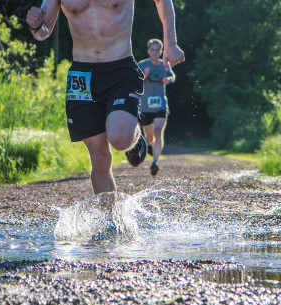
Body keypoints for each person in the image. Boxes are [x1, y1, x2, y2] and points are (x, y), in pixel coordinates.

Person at [26, 0, 184, 194]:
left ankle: (135, 136)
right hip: (82, 75)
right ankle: (108, 220)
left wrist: (171, 44)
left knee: (120, 139)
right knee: (98, 156)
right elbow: (43, 32)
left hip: (120, 67)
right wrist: (35, 25)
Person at [138, 38, 175, 176]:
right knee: (149, 138)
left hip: (160, 105)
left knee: (158, 130)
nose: (154, 52)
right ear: (149, 51)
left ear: (161, 52)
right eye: (152, 50)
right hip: (146, 106)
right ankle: (148, 147)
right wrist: (144, 75)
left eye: (157, 50)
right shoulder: (142, 65)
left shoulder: (165, 65)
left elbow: (173, 76)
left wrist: (169, 80)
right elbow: (134, 81)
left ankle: (155, 162)